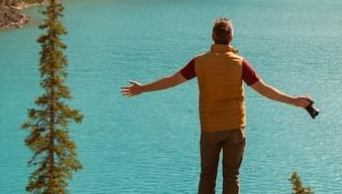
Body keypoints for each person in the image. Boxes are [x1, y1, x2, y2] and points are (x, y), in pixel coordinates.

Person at [120, 18, 312, 194]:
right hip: (235, 129)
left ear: (213, 37)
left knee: (207, 176)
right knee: (232, 176)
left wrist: (143, 88)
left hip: (210, 129)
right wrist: (295, 101)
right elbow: (265, 90)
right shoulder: (240, 63)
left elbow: (171, 81)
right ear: (231, 37)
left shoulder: (199, 62)